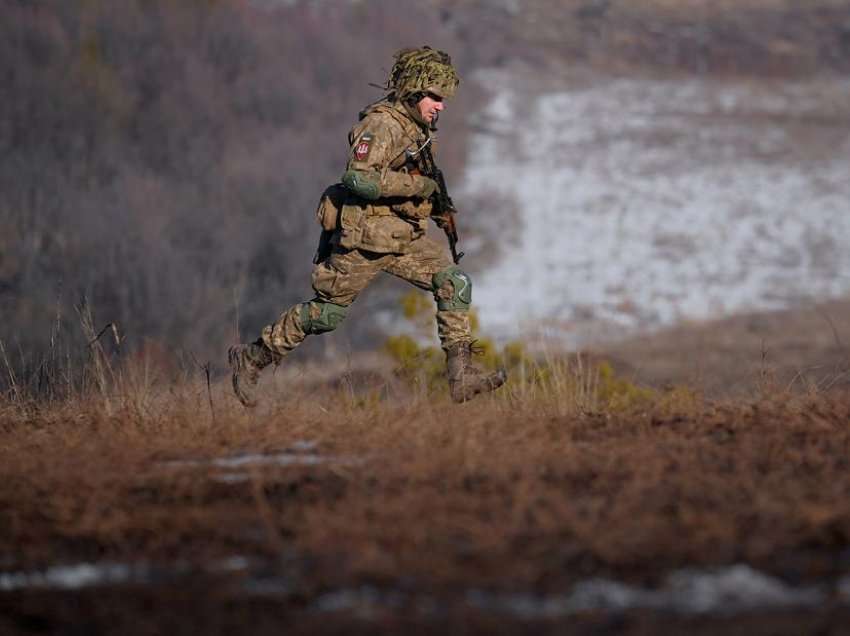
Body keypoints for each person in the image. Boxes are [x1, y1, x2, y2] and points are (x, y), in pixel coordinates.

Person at [228, 46, 506, 407]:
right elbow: (358, 179)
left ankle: (462, 376)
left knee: (454, 282)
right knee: (327, 314)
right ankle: (252, 357)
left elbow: (416, 178)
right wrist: (418, 187)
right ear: (414, 89)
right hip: (364, 240)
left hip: (401, 237)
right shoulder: (382, 125)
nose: (441, 106)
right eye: (435, 97)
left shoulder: (416, 128)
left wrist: (434, 204)